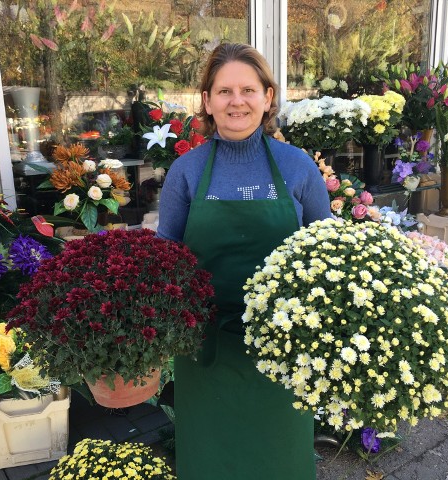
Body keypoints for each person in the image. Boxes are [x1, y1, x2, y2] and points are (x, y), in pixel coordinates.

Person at [157, 43, 332, 480]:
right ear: (208, 100)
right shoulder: (187, 171)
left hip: (287, 346)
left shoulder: (297, 166)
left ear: (268, 97)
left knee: (281, 453)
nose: (237, 101)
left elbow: (328, 247)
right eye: (224, 91)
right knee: (211, 456)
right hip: (204, 345)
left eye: (249, 90)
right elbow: (165, 256)